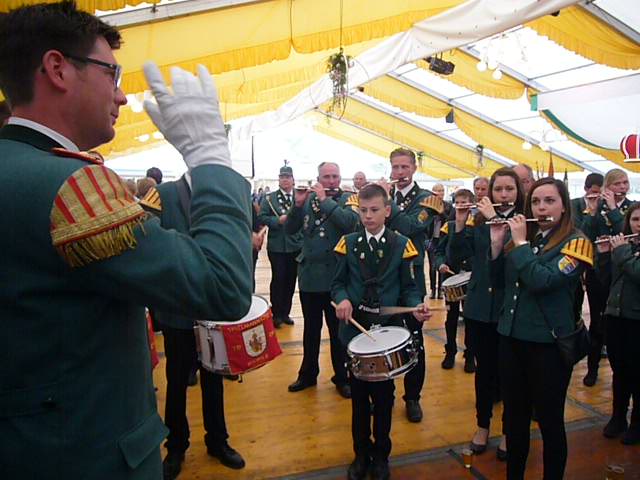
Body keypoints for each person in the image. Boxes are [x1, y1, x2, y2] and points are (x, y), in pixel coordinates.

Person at [0, 3, 252, 478]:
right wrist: (210, 155)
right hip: (87, 456)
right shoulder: (69, 186)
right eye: (111, 73)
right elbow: (224, 286)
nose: (120, 95)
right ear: (57, 68)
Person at [140, 175, 246, 479]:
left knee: (214, 379)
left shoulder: (222, 190)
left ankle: (218, 441)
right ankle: (176, 445)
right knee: (176, 381)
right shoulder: (162, 194)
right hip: (178, 308)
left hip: (212, 308)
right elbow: (146, 241)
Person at [489, 177, 593, 479]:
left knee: (549, 422)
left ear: (564, 206)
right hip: (512, 340)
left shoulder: (577, 243)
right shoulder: (528, 240)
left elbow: (542, 281)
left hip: (548, 346)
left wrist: (519, 243)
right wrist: (497, 244)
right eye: (535, 202)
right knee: (514, 421)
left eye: (549, 201)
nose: (541, 208)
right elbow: (500, 283)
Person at [332, 184, 430, 480]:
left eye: (374, 210)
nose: (368, 216)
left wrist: (415, 307)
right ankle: (361, 453)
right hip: (356, 332)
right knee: (360, 399)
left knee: (385, 398)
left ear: (387, 211)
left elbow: (410, 288)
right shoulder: (348, 243)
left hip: (387, 333)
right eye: (363, 210)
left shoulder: (402, 245)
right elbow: (337, 283)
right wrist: (343, 299)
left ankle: (381, 455)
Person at [449, 167, 525, 461]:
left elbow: (512, 262)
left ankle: (508, 431)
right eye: (498, 189)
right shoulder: (478, 221)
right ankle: (482, 425)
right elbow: (457, 256)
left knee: (510, 374)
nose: (503, 195)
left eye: (509, 189)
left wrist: (496, 219)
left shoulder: (523, 223)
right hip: (480, 308)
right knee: (483, 372)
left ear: (518, 192)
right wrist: (459, 223)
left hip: (509, 309)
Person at [285, 161, 359, 398]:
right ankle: (308, 374)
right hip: (310, 276)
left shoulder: (348, 199)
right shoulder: (307, 200)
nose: (331, 181)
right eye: (326, 177)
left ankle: (342, 377)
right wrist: (297, 206)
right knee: (311, 329)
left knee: (338, 332)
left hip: (336, 277)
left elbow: (349, 223)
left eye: (335, 176)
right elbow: (290, 229)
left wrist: (325, 200)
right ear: (318, 178)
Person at [378, 148, 441, 423]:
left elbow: (411, 226)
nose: (400, 173)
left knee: (414, 339)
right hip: (384, 278)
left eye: (405, 167)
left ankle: (412, 397)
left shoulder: (427, 199)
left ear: (414, 168)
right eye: (395, 167)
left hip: (411, 278)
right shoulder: (384, 196)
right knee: (384, 337)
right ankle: (386, 394)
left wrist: (386, 201)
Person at [581, 168, 632, 387]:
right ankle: (592, 368)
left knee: (619, 324)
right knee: (597, 321)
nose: (622, 187)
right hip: (599, 272)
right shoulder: (596, 207)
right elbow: (585, 235)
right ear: (607, 187)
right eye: (617, 184)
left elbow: (626, 231)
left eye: (625, 183)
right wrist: (593, 212)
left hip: (623, 273)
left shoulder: (632, 208)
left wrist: (613, 209)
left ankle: (619, 372)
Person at [597, 204, 640, 445]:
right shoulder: (626, 247)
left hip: (637, 321)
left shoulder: (625, 250)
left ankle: (637, 423)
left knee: (637, 372)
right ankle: (618, 417)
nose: (639, 224)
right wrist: (605, 255)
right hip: (615, 317)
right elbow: (606, 282)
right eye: (635, 219)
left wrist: (621, 252)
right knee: (619, 370)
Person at [570, 173, 605, 386]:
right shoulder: (574, 205)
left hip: (600, 268)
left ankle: (596, 356)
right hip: (576, 264)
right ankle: (575, 348)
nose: (597, 196)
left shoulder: (609, 206)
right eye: (594, 191)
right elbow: (581, 233)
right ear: (586, 189)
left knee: (600, 317)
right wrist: (591, 212)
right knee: (574, 310)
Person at [434, 188, 475, 373]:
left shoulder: (476, 226)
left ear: (471, 204)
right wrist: (440, 264)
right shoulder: (448, 226)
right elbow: (439, 251)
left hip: (471, 279)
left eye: (464, 202)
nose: (460, 205)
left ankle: (470, 354)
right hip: (451, 277)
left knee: (470, 319)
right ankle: (450, 351)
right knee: (450, 317)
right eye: (457, 202)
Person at [258, 165, 303, 327]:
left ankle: (285, 313)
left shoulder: (299, 197)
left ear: (293, 180)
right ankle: (276, 314)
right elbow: (262, 217)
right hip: (277, 246)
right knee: (278, 279)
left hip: (295, 245)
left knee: (291, 280)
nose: (285, 180)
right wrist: (276, 221)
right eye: (282, 177)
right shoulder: (270, 199)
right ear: (278, 180)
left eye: (288, 177)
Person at [427, 183, 449, 299]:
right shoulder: (429, 206)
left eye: (441, 191)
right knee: (432, 267)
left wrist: (441, 213)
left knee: (440, 265)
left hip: (443, 239)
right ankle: (432, 289)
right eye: (437, 191)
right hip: (432, 240)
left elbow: (450, 220)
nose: (440, 193)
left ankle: (440, 289)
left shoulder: (448, 206)